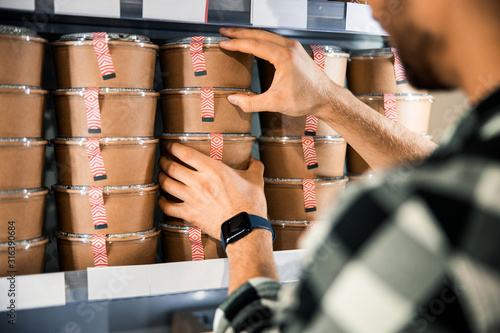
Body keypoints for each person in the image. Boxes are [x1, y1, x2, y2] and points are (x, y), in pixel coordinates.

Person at [158, 0, 500, 331]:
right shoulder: (473, 177)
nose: (376, 10)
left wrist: (243, 228)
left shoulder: (413, 214)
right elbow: (453, 175)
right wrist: (328, 98)